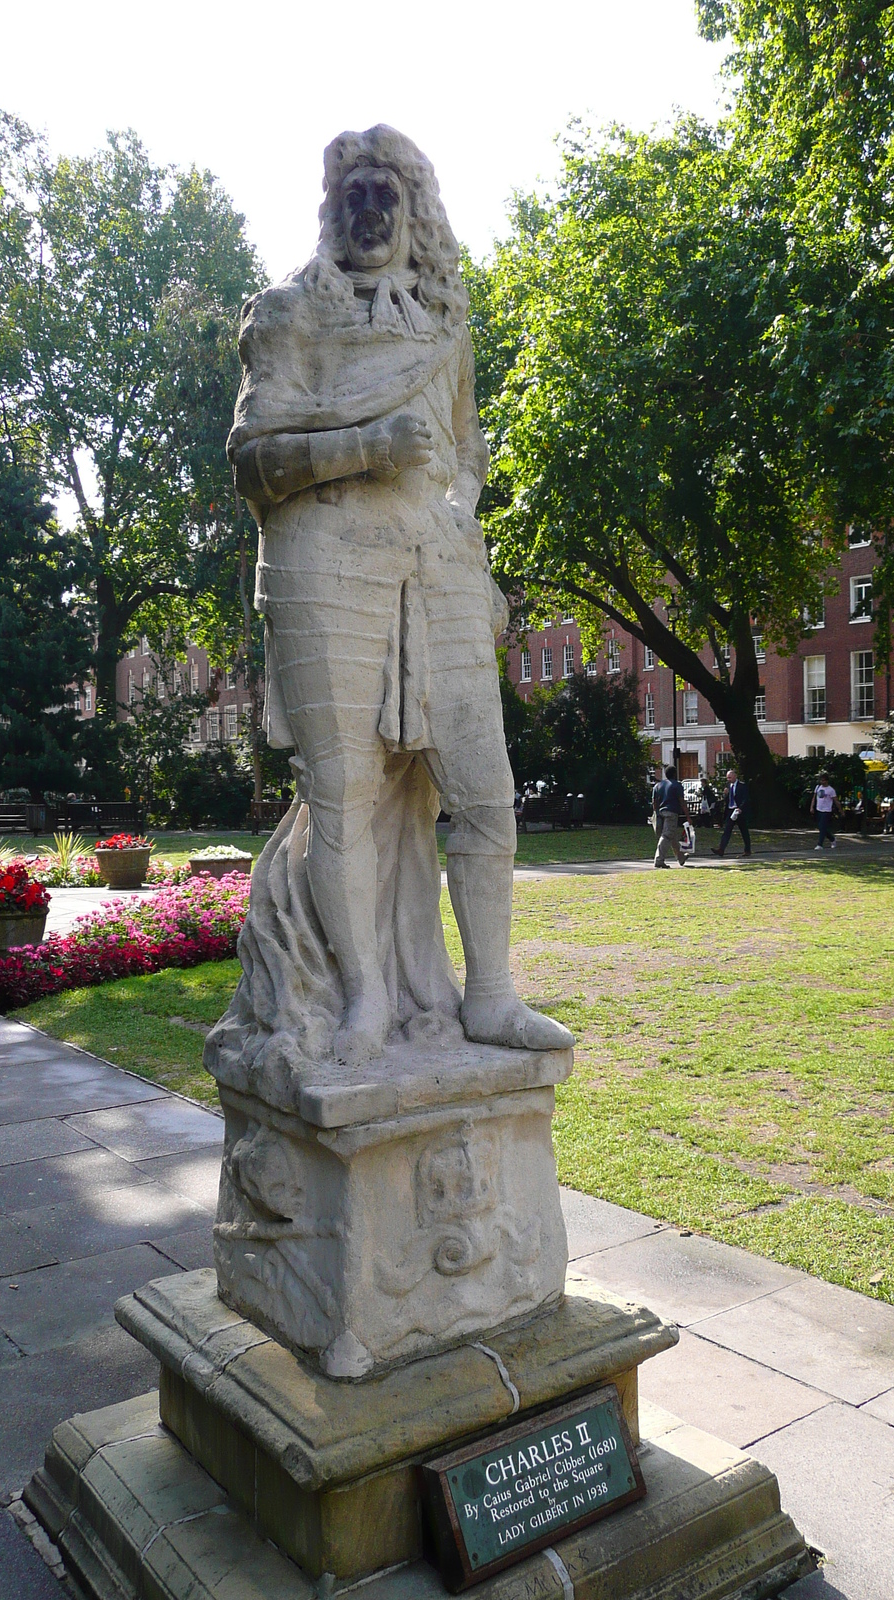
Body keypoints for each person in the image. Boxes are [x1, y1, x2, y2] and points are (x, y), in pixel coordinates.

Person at [210, 124, 572, 1083]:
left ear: (415, 217)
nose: (370, 212)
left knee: (484, 788)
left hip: (440, 565)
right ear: (332, 211)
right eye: (355, 195)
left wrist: (465, 538)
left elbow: (466, 455)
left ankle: (487, 991)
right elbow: (252, 463)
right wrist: (366, 446)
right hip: (323, 561)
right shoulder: (286, 316)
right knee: (344, 795)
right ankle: (367, 995)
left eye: (388, 196)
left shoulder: (445, 326)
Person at [651, 765, 692, 868]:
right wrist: (688, 816)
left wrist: (656, 813)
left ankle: (681, 858)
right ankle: (659, 860)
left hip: (660, 813)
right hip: (671, 813)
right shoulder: (677, 785)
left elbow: (654, 802)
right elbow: (682, 801)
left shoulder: (658, 785)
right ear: (675, 773)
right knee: (667, 835)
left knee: (672, 836)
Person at [711, 768, 751, 857]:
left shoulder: (742, 786)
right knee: (727, 830)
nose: (728, 780)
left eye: (730, 777)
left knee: (744, 831)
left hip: (739, 810)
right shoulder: (728, 785)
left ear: (735, 776)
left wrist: (740, 808)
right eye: (727, 778)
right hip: (730, 810)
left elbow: (745, 799)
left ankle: (747, 850)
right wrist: (725, 794)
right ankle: (721, 849)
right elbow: (727, 799)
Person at [810, 771, 841, 849]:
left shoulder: (831, 790)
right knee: (821, 827)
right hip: (819, 809)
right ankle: (832, 839)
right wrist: (812, 807)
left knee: (822, 826)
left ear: (827, 781)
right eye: (821, 780)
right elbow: (814, 798)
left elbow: (836, 800)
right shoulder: (818, 787)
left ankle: (820, 844)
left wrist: (840, 810)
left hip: (826, 810)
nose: (822, 782)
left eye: (824, 780)